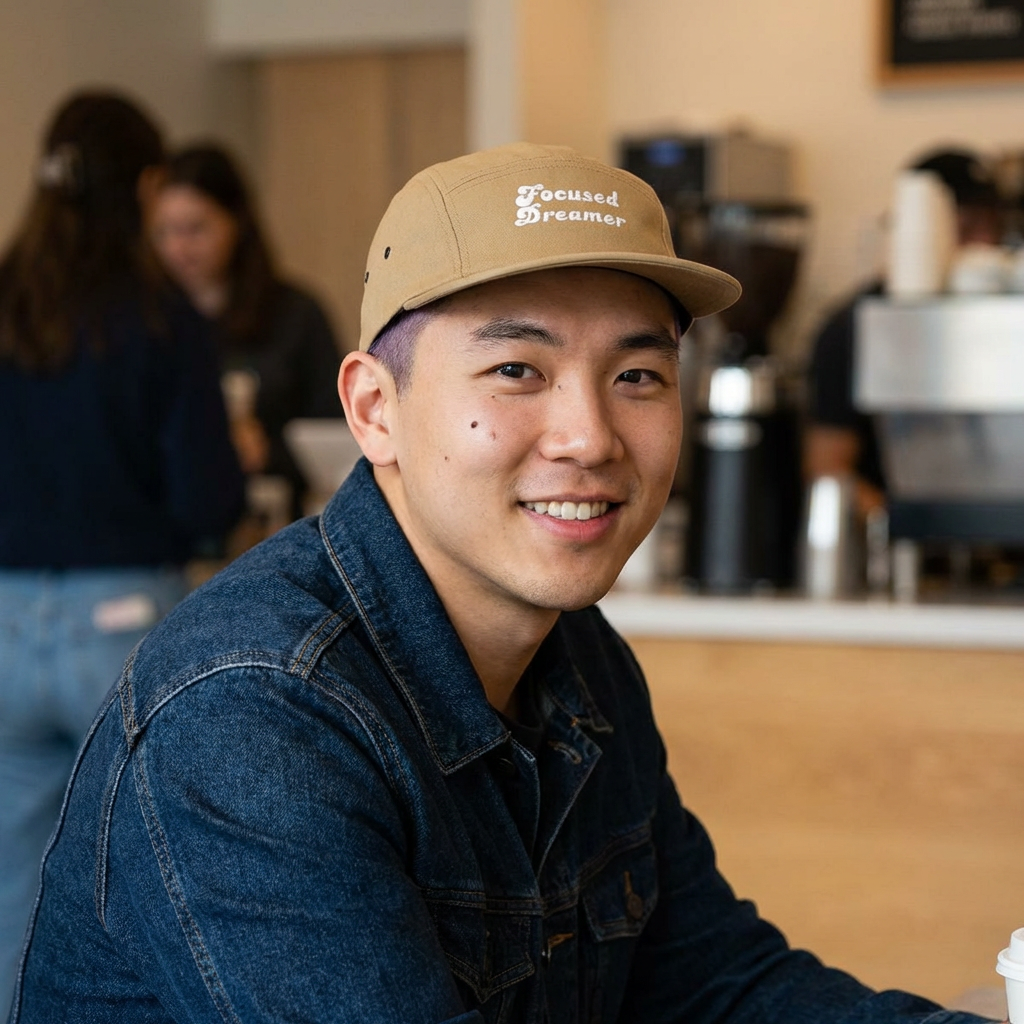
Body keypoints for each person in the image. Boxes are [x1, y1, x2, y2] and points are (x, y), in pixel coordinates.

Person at [10, 144, 992, 1023]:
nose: (590, 437)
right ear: (374, 409)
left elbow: (712, 982)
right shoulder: (253, 717)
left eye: (637, 376)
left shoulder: (578, 658)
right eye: (518, 368)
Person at [0, 93, 244, 1016]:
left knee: (11, 895)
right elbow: (207, 502)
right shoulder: (158, 314)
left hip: (3, 621)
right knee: (153, 882)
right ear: (146, 185)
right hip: (122, 621)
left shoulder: (5, 296)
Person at [805, 148, 1003, 514]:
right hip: (897, 531)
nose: (984, 243)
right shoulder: (852, 328)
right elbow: (829, 468)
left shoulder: (998, 323)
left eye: (992, 227)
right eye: (967, 227)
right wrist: (904, 527)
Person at [151, 144, 343, 514]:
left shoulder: (295, 314)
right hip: (174, 520)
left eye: (195, 229)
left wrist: (268, 450)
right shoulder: (151, 321)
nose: (178, 249)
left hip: (282, 518)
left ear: (235, 222)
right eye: (164, 232)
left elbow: (335, 436)